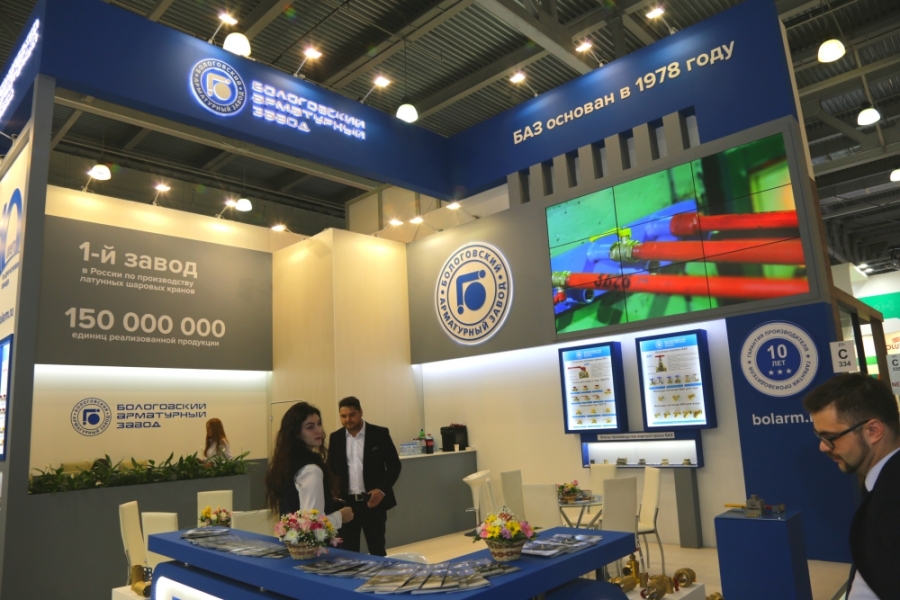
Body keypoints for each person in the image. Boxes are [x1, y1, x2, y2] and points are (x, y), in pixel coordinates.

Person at [803, 372, 900, 600]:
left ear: (873, 431)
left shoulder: (893, 500)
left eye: (830, 437)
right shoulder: (882, 484)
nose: (823, 447)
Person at [327, 396, 401, 556]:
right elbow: (330, 469)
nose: (348, 420)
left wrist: (382, 490)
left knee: (377, 549)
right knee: (348, 552)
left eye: (352, 415)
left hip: (372, 502)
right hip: (346, 505)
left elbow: (394, 466)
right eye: (343, 416)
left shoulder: (380, 434)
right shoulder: (335, 438)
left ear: (360, 412)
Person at [265, 402, 353, 531]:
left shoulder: (288, 463)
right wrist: (340, 516)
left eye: (319, 424)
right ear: (296, 433)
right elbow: (311, 526)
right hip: (310, 543)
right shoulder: (311, 470)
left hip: (292, 540)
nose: (318, 430)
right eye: (310, 427)